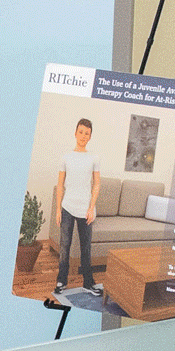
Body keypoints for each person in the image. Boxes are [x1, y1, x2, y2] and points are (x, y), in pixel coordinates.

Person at [54, 116, 101, 295]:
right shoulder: (65, 157)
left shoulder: (94, 158)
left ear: (90, 137)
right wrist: (58, 209)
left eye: (87, 133)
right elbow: (60, 184)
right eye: (80, 132)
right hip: (67, 207)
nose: (83, 135)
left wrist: (91, 208)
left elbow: (96, 184)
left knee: (85, 247)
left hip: (85, 210)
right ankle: (61, 281)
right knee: (64, 246)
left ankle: (88, 283)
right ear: (75, 133)